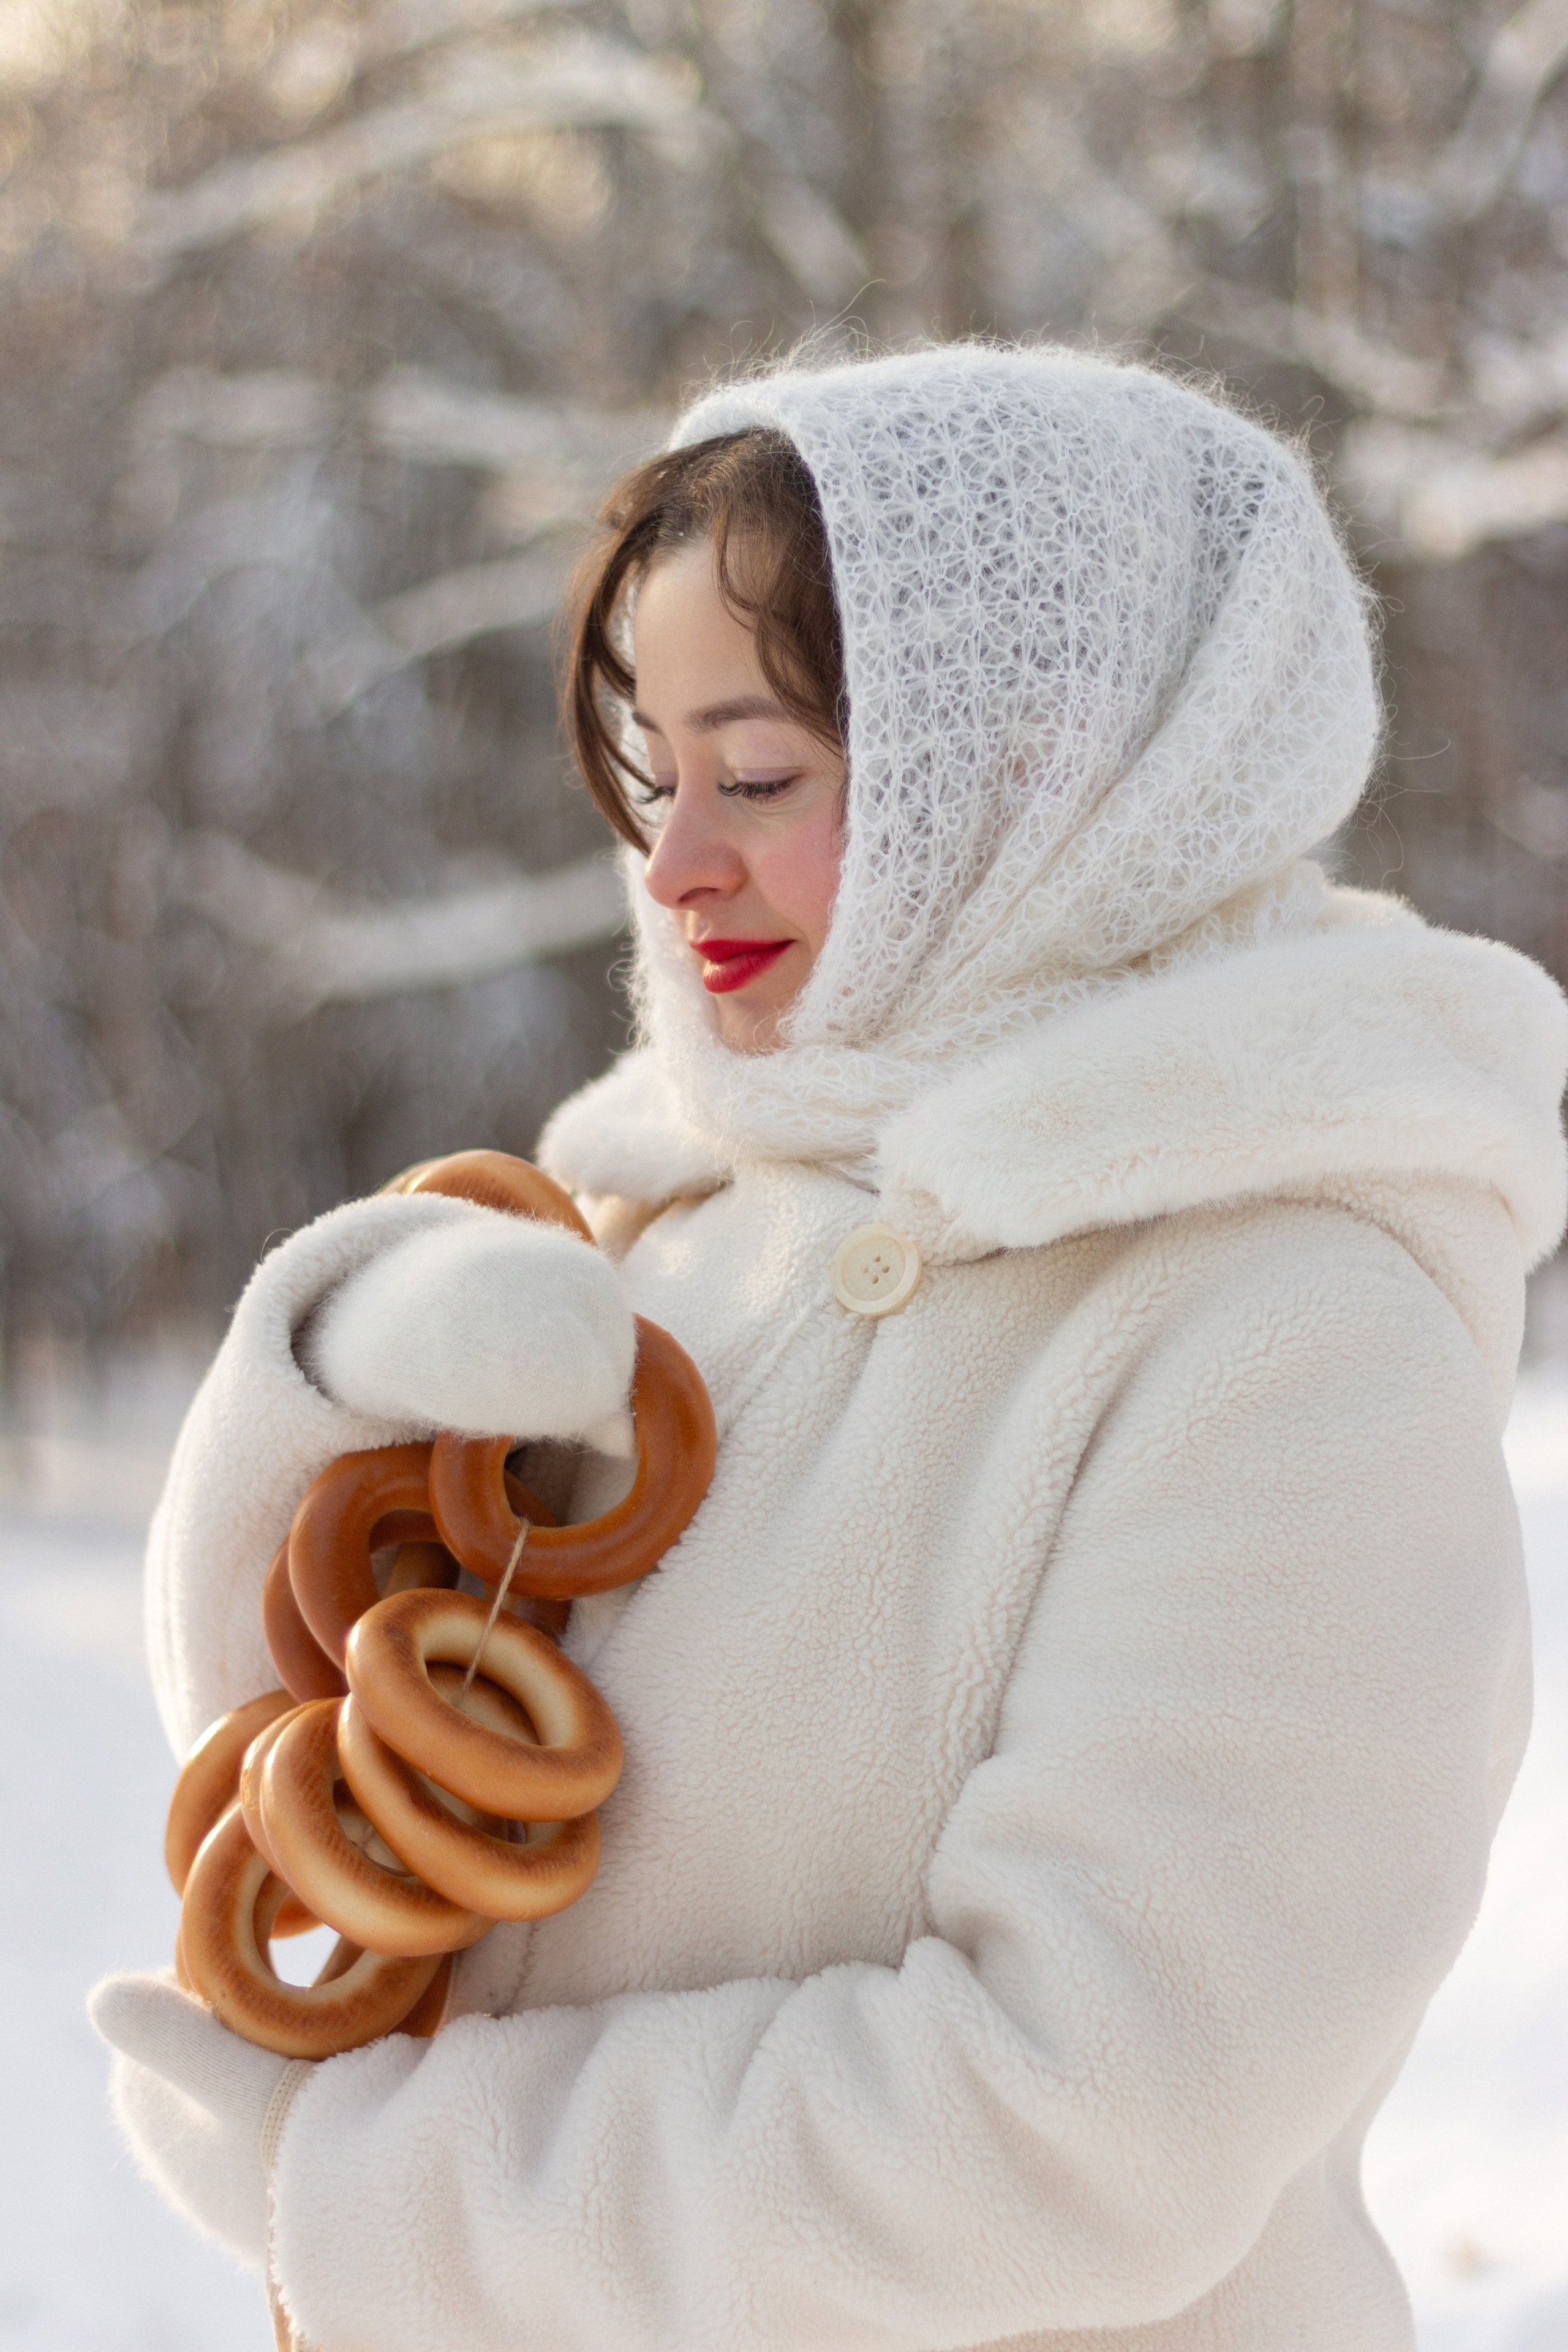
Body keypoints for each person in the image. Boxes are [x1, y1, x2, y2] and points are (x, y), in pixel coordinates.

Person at [92, 344, 1567, 2352]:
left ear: (1032, 771)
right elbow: (320, 1769)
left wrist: (390, 2197)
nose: (674, 863)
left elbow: (1086, 2121)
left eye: (761, 775)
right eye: (655, 772)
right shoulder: (672, 1194)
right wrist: (324, 1373)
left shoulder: (1294, 1333)